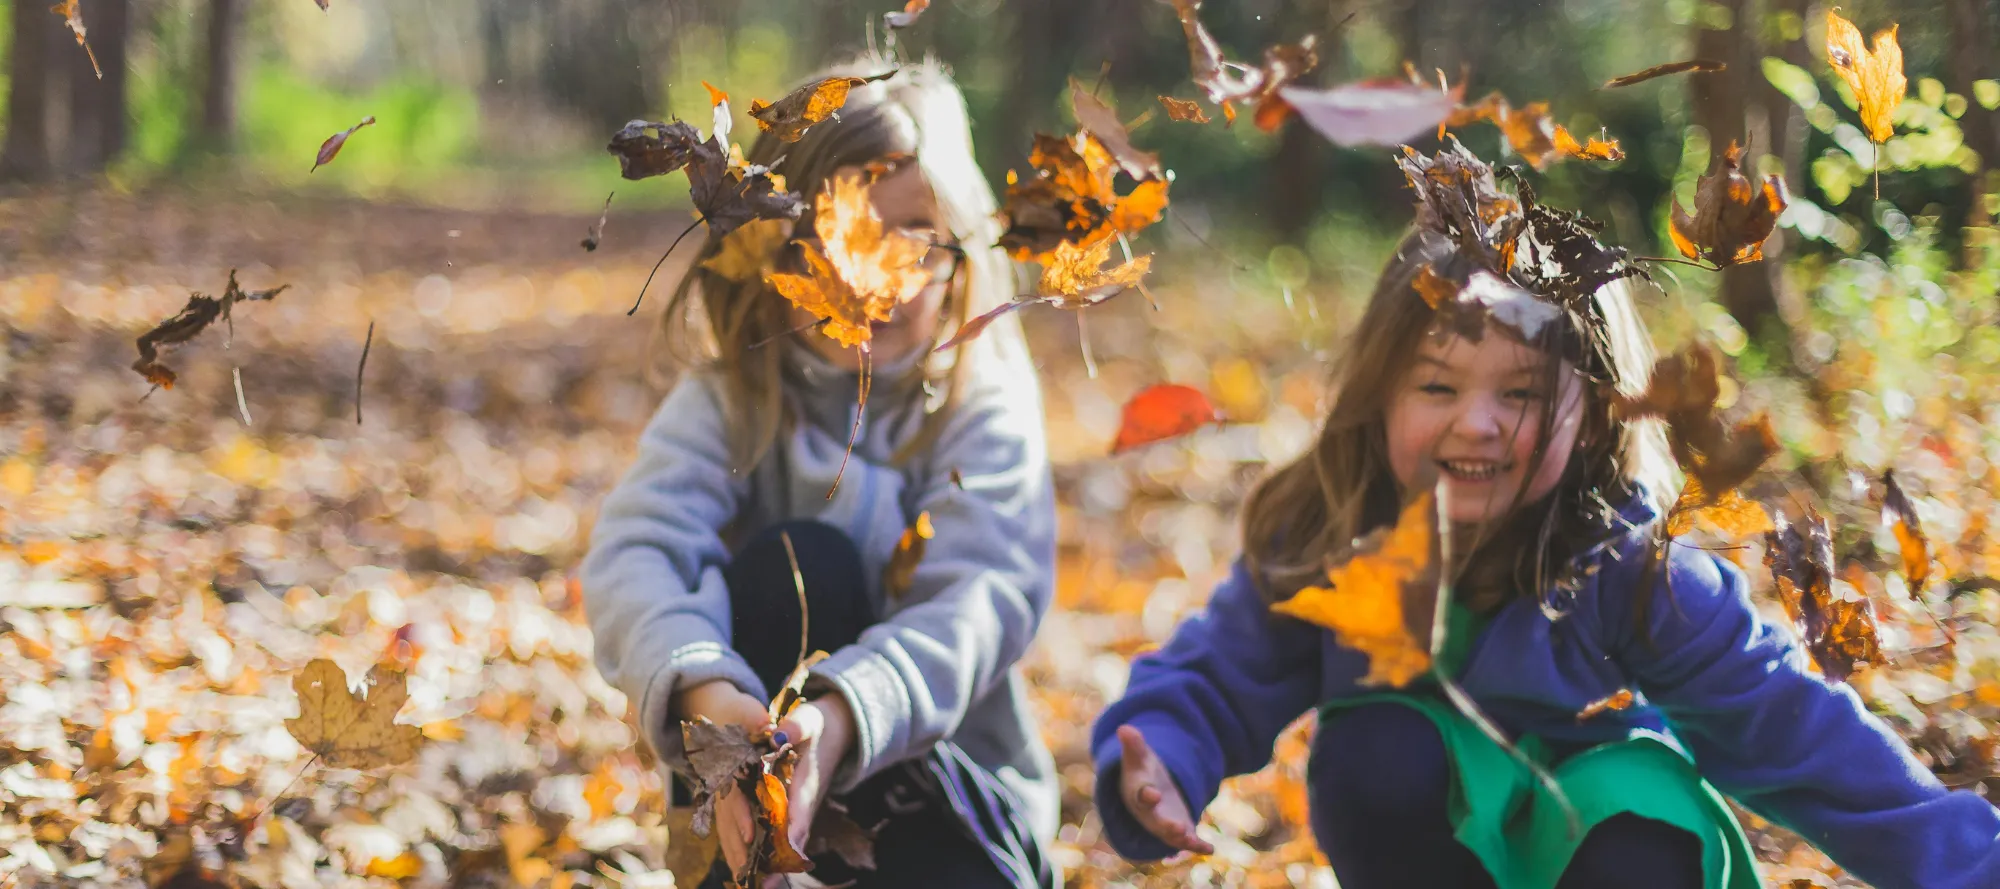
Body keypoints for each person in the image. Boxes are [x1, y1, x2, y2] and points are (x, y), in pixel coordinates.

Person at [1090, 145, 2000, 889]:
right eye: (1438, 384)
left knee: (1636, 823)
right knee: (1377, 749)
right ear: (1380, 393)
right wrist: (1163, 757)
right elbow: (1218, 671)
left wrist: (1968, 864)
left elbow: (1796, 729)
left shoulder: (1634, 568)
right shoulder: (1337, 532)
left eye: (1523, 394)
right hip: (1435, 834)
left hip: (1614, 840)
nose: (1476, 422)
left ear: (1597, 412)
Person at [583, 56, 1058, 889]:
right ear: (775, 242)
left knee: (825, 563)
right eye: (841, 231)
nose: (883, 273)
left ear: (961, 239)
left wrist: (843, 717)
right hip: (755, 789)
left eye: (916, 231)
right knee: (798, 563)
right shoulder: (736, 399)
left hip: (952, 810)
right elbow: (637, 550)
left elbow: (980, 600)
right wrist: (705, 692)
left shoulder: (980, 408)